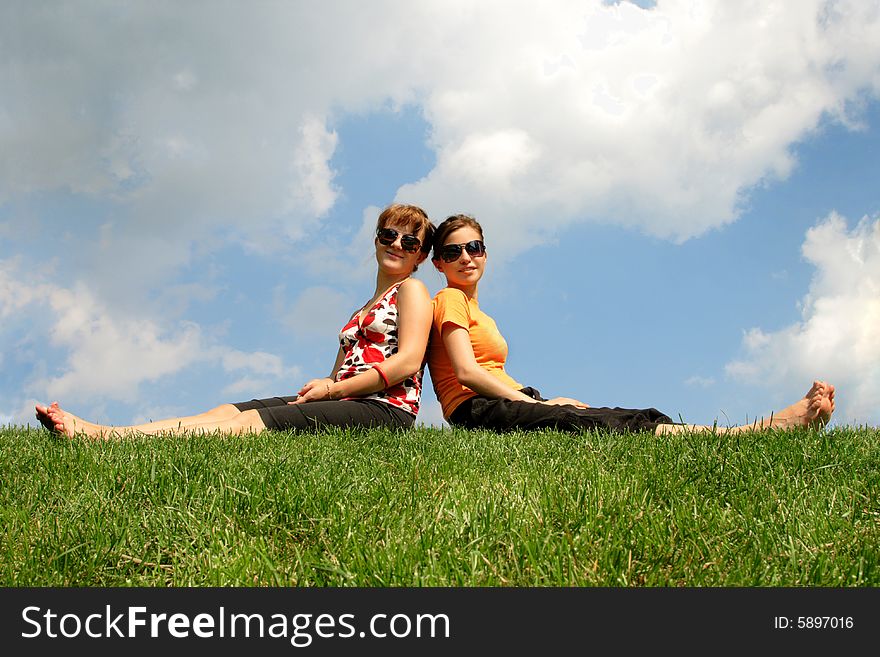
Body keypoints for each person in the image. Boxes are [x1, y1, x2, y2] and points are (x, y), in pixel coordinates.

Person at [36, 204, 435, 439]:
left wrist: (333, 392)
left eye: (410, 242)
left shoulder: (411, 291)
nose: (397, 244)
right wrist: (330, 386)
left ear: (419, 257)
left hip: (385, 410)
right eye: (389, 235)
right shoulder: (361, 309)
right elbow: (339, 374)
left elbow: (408, 362)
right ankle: (114, 433)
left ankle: (105, 439)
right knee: (225, 410)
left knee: (247, 424)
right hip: (349, 398)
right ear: (377, 239)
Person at [427, 214, 835, 435]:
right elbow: (467, 372)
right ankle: (752, 433)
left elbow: (493, 372)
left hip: (507, 396)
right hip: (474, 408)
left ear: (485, 252)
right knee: (597, 425)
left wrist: (541, 396)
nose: (467, 256)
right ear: (439, 262)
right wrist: (534, 403)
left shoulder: (479, 310)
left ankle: (745, 431)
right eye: (454, 251)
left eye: (474, 247)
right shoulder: (448, 299)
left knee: (600, 411)